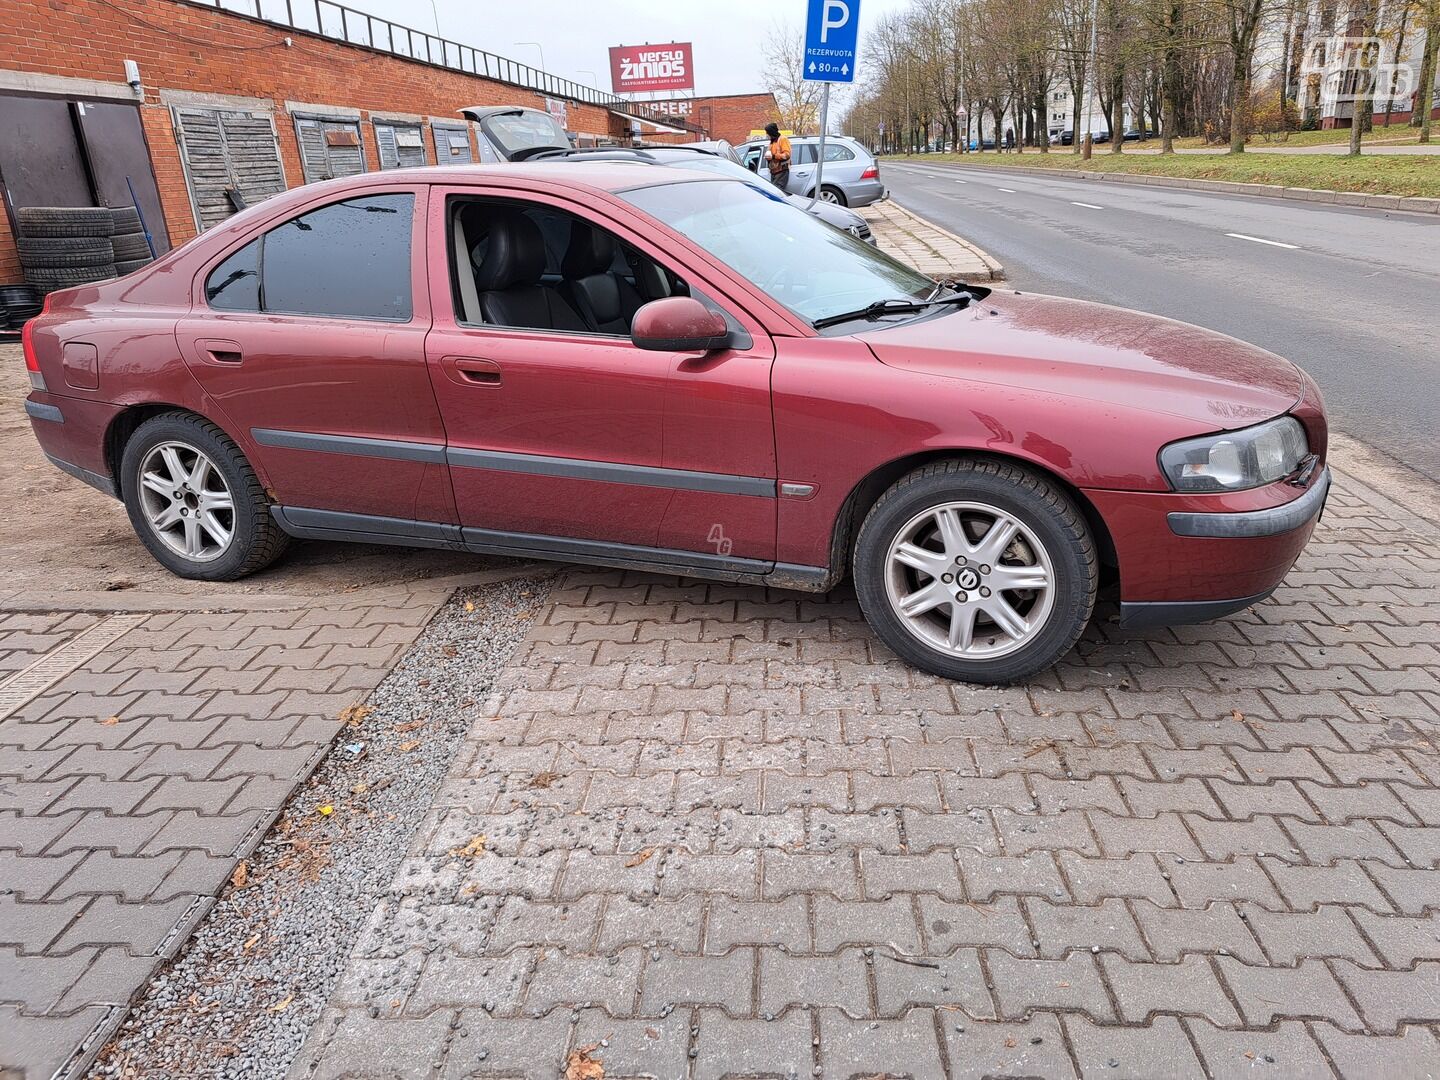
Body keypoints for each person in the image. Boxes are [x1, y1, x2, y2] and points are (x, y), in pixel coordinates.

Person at [764, 122, 791, 190]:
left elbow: (787, 155)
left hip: (782, 171)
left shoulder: (782, 139)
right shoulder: (772, 141)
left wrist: (773, 156)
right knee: (774, 191)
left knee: (778, 192)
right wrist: (768, 157)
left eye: (768, 132)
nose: (767, 134)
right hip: (774, 171)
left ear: (771, 132)